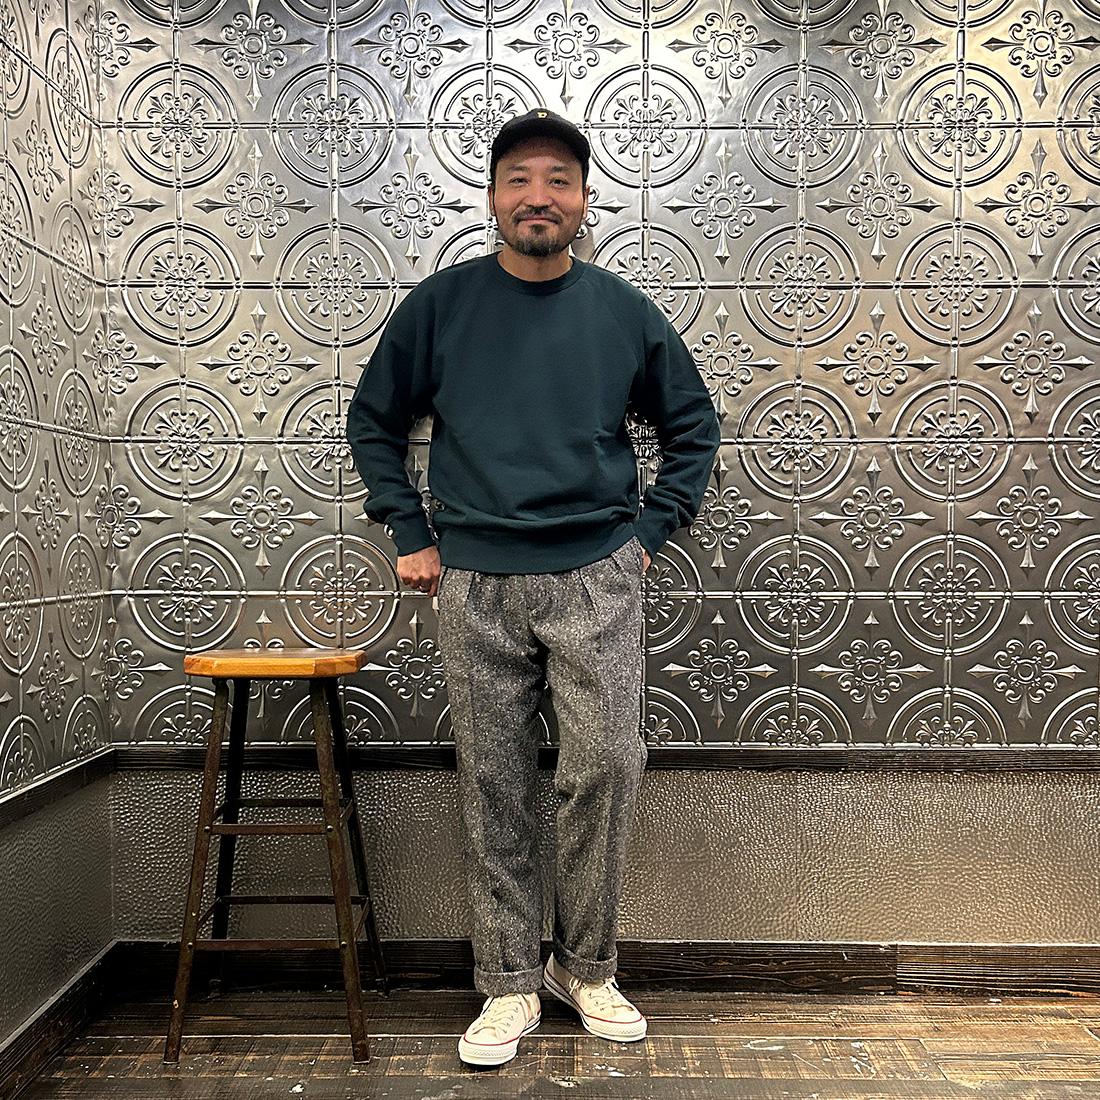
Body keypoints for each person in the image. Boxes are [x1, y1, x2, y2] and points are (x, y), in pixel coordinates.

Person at [346, 109, 721, 1068]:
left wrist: (647, 534)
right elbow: (374, 421)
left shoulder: (623, 312)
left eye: (558, 180)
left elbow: (693, 427)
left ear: (585, 200)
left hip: (598, 575)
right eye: (519, 179)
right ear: (492, 199)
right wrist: (409, 529)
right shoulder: (441, 306)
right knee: (495, 780)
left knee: (607, 765)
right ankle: (509, 979)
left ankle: (583, 967)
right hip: (473, 579)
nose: (538, 197)